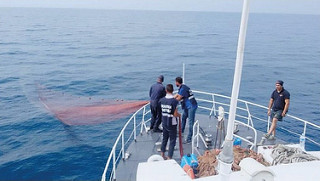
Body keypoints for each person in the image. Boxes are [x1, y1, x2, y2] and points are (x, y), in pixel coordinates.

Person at [159, 84, 180, 159]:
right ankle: (169, 157)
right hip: (172, 123)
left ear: (166, 91)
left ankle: (162, 154)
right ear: (173, 90)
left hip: (164, 122)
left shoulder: (162, 100)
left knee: (165, 138)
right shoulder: (174, 101)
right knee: (172, 140)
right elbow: (175, 113)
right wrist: (179, 115)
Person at [174, 77, 198, 144]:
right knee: (184, 118)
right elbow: (177, 95)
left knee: (190, 122)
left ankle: (189, 138)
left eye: (175, 82)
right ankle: (181, 131)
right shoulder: (183, 87)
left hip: (191, 106)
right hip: (187, 106)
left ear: (177, 82)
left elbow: (178, 98)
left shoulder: (183, 89)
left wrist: (170, 101)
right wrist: (170, 98)